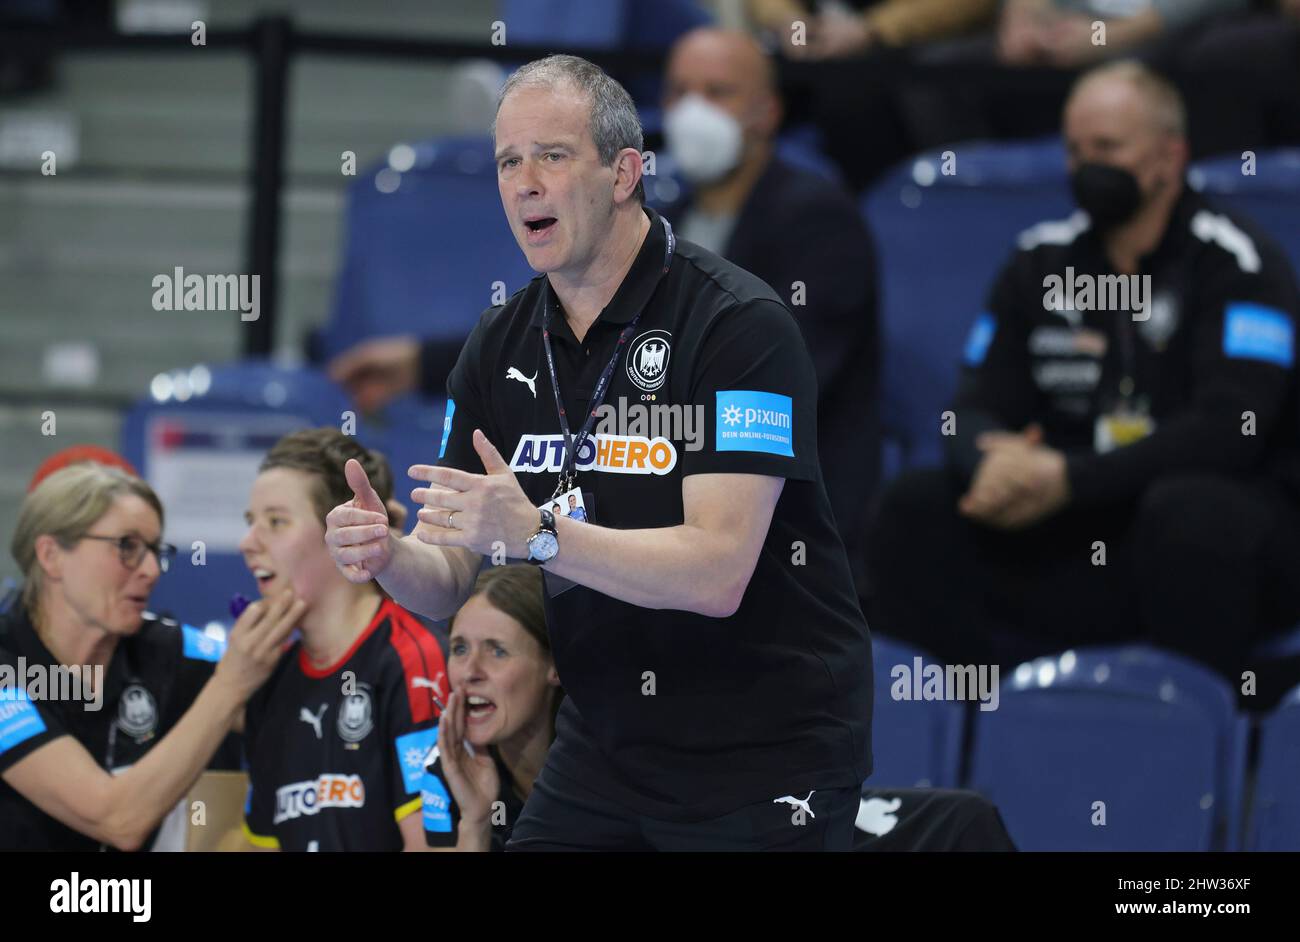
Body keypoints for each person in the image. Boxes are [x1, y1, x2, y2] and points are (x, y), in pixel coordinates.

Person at [326, 54, 872, 851]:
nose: (524, 182)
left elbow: (718, 574)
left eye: (552, 155)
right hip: (604, 744)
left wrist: (538, 534)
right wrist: (388, 555)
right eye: (509, 161)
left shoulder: (740, 327)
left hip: (767, 750)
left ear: (623, 173)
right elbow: (446, 580)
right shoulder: (498, 343)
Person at [867, 61, 1300, 705]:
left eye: (1107, 149)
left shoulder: (1238, 263)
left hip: (1214, 537)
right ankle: (960, 739)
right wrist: (994, 463)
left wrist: (1069, 480)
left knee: (1189, 514)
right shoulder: (1037, 260)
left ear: (1167, 158)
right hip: (1071, 527)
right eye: (1074, 149)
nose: (1083, 165)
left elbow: (1229, 432)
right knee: (916, 507)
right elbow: (973, 406)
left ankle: (1191, 736)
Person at [660, 28, 880, 597]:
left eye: (717, 92)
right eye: (679, 91)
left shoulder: (818, 220)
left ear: (769, 112)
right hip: (670, 480)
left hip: (787, 516)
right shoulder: (657, 220)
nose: (692, 110)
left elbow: (777, 379)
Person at [0, 464, 302, 851]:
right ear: (52, 555)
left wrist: (361, 572)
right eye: (127, 546)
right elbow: (117, 820)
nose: (149, 571)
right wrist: (229, 688)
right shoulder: (9, 664)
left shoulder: (168, 646)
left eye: (155, 551)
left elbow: (301, 702)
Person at [240, 428, 447, 851]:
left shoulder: (413, 658)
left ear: (344, 531)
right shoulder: (269, 681)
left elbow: (434, 845)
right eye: (250, 523)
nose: (248, 544)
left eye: (276, 522)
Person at [423, 564, 560, 852]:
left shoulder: (606, 771)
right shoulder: (449, 771)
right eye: (460, 649)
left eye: (497, 651)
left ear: (556, 666)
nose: (470, 672)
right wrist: (475, 822)